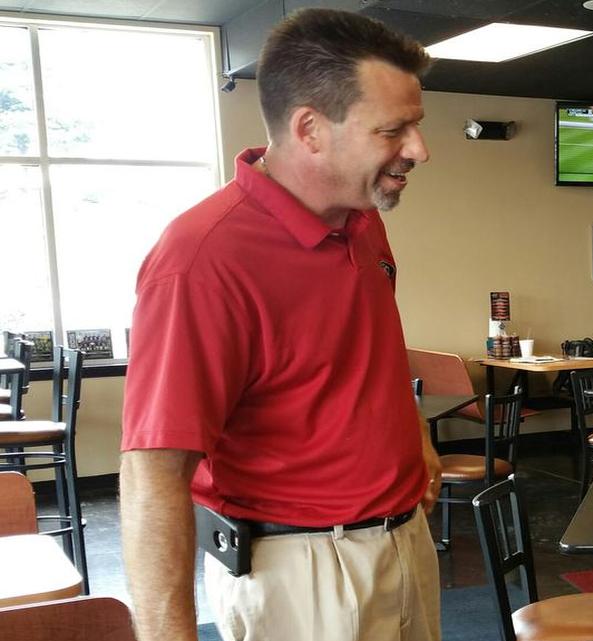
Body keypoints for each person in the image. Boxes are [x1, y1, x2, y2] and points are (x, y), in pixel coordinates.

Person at [119, 9, 439, 641]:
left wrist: (413, 433)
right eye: (393, 130)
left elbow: (355, 354)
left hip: (402, 542)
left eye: (416, 126)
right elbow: (152, 474)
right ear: (310, 130)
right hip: (299, 573)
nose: (418, 150)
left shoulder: (361, 217)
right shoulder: (201, 261)